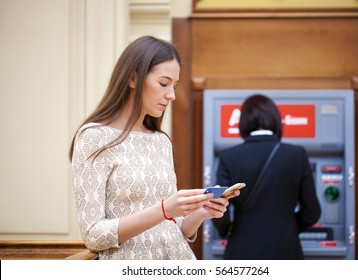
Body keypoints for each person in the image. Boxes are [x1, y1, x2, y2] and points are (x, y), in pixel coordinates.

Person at [69, 35, 238, 260]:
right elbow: (93, 235)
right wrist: (164, 209)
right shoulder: (94, 137)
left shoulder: (161, 141)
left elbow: (173, 229)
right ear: (132, 78)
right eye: (163, 83)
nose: (172, 95)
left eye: (174, 85)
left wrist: (199, 213)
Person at [212, 94, 321, 260]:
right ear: (276, 120)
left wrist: (226, 229)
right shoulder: (297, 155)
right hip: (286, 250)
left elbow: (218, 208)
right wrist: (288, 227)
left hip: (242, 250)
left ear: (243, 123)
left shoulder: (229, 157)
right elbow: (312, 212)